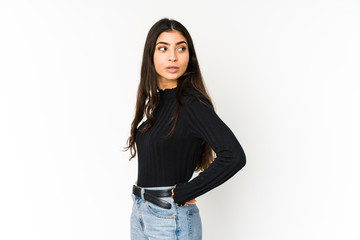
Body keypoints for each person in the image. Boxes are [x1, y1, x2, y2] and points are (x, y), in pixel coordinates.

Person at [123, 18, 246, 240]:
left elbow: (234, 155)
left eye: (181, 48)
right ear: (151, 54)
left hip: (170, 217)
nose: (173, 56)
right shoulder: (157, 105)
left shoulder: (191, 104)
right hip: (141, 212)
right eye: (163, 48)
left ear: (190, 57)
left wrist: (186, 191)